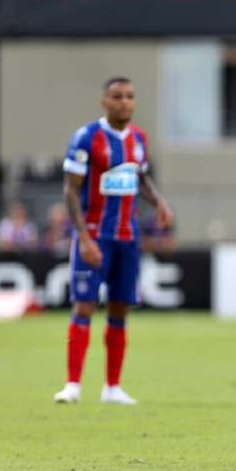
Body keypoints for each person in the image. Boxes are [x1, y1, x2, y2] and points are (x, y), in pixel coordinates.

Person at [53, 77, 173, 405]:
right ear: (104, 101)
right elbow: (70, 190)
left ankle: (112, 387)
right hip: (94, 236)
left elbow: (140, 176)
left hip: (128, 237)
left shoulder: (139, 139)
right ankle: (73, 385)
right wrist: (83, 238)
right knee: (84, 305)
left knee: (120, 308)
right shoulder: (87, 137)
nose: (125, 102)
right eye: (117, 96)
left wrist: (159, 201)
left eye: (130, 96)